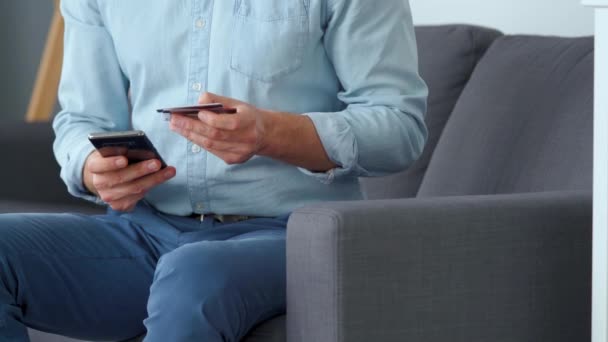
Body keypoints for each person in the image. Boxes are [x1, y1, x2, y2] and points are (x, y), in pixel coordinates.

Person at [0, 0, 427, 341]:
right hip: (145, 231)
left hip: (294, 233)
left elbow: (399, 126)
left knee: (194, 271)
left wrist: (272, 133)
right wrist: (93, 167)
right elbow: (81, 120)